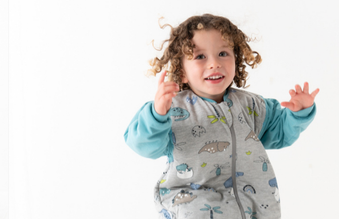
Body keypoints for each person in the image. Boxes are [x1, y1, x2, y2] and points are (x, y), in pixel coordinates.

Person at [124, 14, 319, 219]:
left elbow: (279, 133)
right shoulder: (173, 110)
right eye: (200, 57)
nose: (214, 63)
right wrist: (156, 115)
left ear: (237, 59)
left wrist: (298, 113)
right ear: (182, 72)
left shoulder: (251, 105)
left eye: (223, 53)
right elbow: (142, 144)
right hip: (195, 205)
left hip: (254, 207)